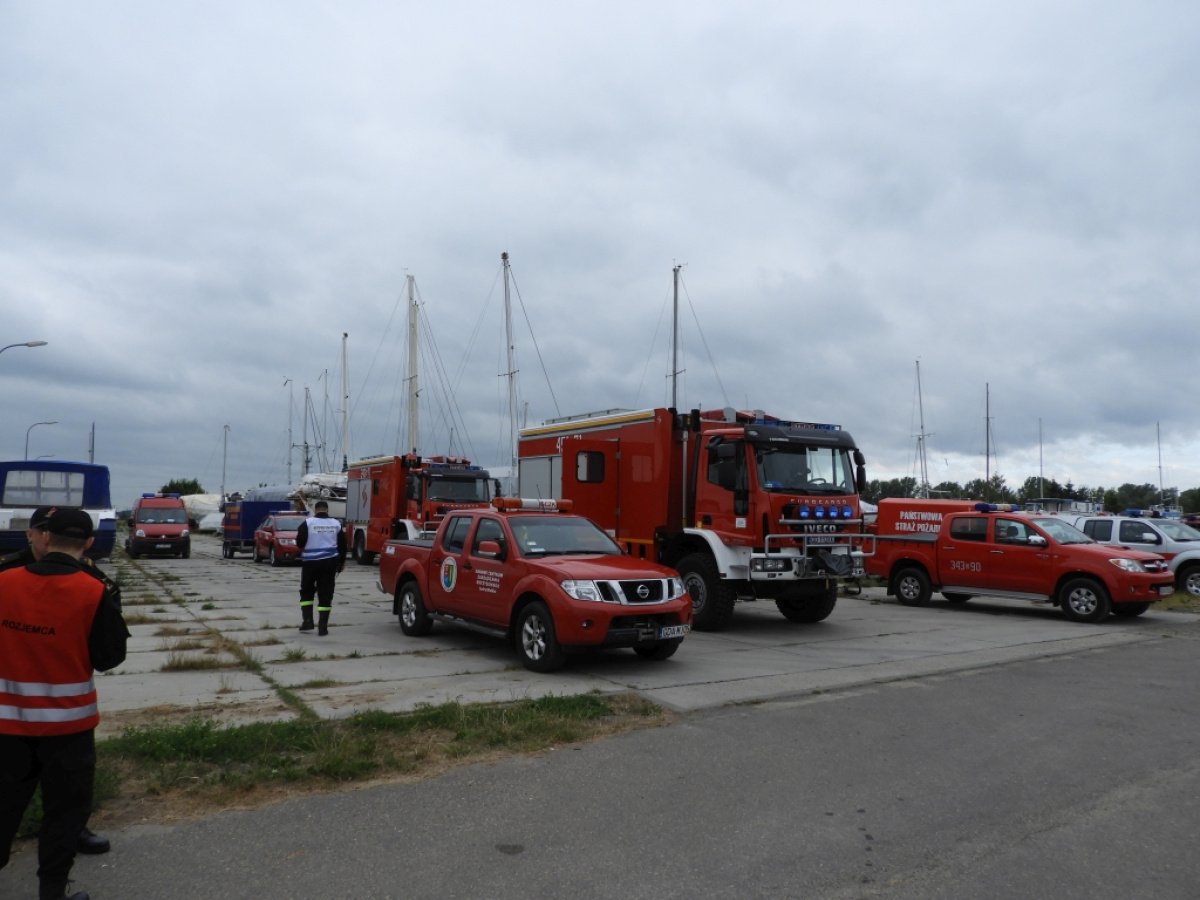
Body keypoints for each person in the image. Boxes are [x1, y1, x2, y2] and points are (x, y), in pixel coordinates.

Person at [0, 508, 128, 900]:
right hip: (68, 728)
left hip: (7, 724)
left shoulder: (3, 582)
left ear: (45, 537)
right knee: (64, 815)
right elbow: (109, 657)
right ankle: (52, 892)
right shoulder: (94, 590)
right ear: (88, 542)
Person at [295, 500, 346, 636]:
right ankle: (323, 627)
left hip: (310, 563)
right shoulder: (336, 524)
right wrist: (341, 563)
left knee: (307, 591)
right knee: (326, 593)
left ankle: (307, 621)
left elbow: (300, 543)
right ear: (327, 510)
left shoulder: (307, 523)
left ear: (315, 510)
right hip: (329, 563)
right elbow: (343, 545)